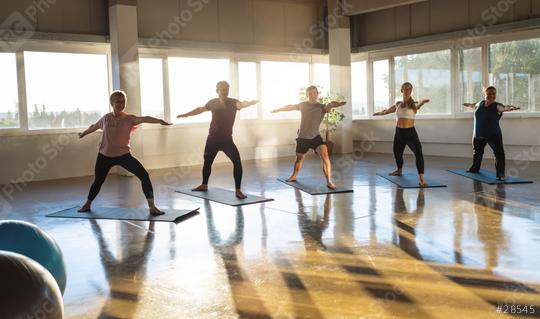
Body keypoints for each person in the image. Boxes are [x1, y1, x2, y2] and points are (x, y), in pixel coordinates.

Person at [78, 90, 171, 215]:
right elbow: (93, 126)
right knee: (98, 181)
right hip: (104, 156)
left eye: (123, 102)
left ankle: (152, 207)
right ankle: (87, 205)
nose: (121, 104)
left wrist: (160, 121)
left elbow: (144, 118)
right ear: (112, 103)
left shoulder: (129, 119)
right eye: (118, 101)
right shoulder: (106, 118)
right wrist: (83, 134)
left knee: (144, 175)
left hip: (123, 156)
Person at [176, 81, 258, 199]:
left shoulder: (233, 102)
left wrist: (250, 103)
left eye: (227, 89)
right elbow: (200, 109)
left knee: (237, 162)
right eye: (222, 89)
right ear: (217, 91)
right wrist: (186, 114)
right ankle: (204, 185)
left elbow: (241, 104)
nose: (225, 91)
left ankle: (238, 190)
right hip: (212, 140)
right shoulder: (213, 102)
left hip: (227, 141)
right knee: (207, 163)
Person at [271, 85, 346, 189]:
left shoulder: (322, 107)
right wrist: (278, 109)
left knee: (325, 155)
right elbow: (290, 106)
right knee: (299, 159)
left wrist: (337, 104)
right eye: (310, 93)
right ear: (307, 95)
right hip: (302, 137)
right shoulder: (302, 105)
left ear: (317, 94)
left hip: (315, 137)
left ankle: (329, 181)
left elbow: (331, 104)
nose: (312, 95)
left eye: (314, 93)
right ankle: (294, 176)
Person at [373, 82, 430, 187]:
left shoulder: (413, 104)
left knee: (418, 152)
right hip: (399, 132)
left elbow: (418, 105)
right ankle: (399, 170)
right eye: (406, 88)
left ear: (411, 91)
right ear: (401, 90)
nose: (408, 90)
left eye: (409, 89)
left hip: (410, 133)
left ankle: (422, 178)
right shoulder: (398, 104)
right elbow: (387, 111)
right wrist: (379, 113)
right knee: (397, 152)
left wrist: (422, 102)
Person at [463, 86, 520, 180]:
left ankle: (501, 175)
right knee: (477, 152)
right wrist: (468, 105)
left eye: (494, 94)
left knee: (499, 154)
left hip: (493, 134)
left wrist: (509, 108)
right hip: (478, 133)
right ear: (485, 94)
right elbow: (474, 105)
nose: (492, 96)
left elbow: (504, 108)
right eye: (489, 94)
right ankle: (474, 169)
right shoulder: (480, 103)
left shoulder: (497, 105)